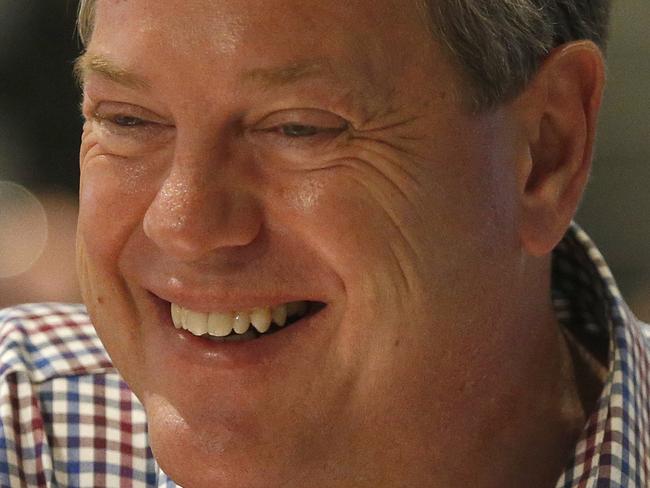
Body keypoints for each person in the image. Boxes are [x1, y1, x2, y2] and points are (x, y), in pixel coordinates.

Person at [1, 0, 648, 486]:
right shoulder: (24, 431)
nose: (183, 223)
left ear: (545, 152)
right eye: (127, 120)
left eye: (298, 128)